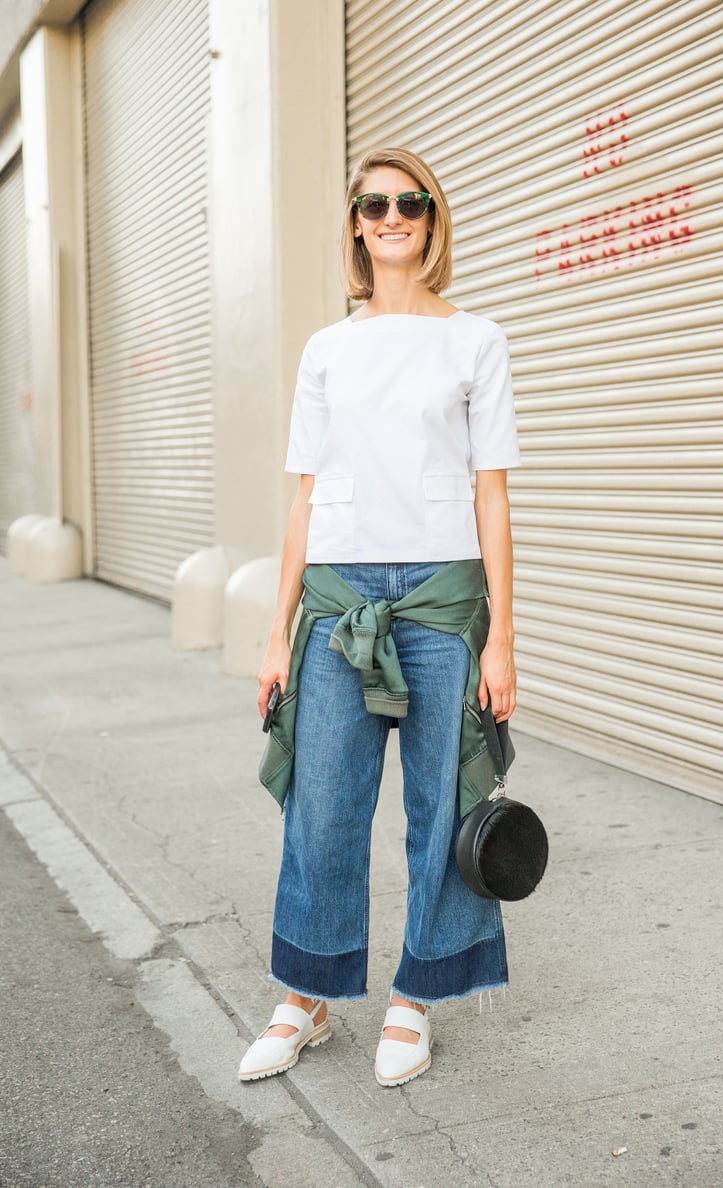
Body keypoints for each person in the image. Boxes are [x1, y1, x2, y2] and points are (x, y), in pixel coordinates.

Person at [238, 146, 521, 1089]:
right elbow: (304, 499)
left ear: (433, 220)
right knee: (323, 801)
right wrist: (277, 631)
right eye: (373, 204)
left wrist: (506, 637)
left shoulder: (476, 340)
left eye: (410, 202)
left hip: (441, 593)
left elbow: (492, 497)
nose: (391, 215)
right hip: (337, 593)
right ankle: (307, 997)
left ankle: (418, 996)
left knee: (442, 802)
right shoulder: (328, 347)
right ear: (356, 224)